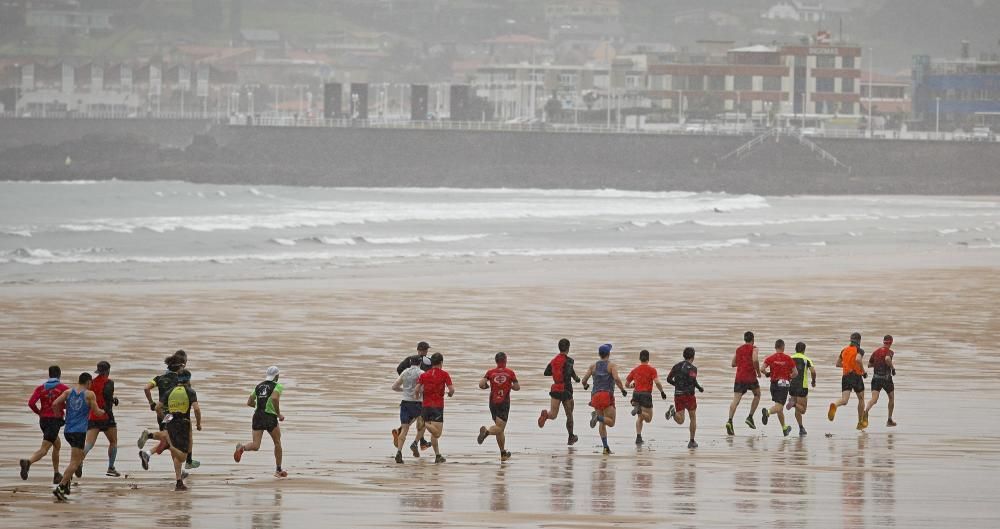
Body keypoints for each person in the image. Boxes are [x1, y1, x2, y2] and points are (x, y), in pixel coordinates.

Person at [51, 372, 105, 501]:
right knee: (76, 462)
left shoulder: (69, 392)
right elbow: (97, 413)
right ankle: (61, 487)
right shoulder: (89, 394)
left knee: (73, 460)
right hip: (79, 431)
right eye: (90, 383)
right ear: (88, 382)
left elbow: (54, 404)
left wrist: (59, 416)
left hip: (68, 431)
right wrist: (103, 411)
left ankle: (66, 485)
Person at [138, 352, 191, 470]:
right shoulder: (180, 380)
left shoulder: (159, 378)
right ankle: (149, 437)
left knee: (169, 442)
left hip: (161, 413)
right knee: (172, 441)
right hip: (174, 414)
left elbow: (146, 388)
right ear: (181, 366)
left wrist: (151, 403)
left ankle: (178, 474)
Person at [20, 366, 69, 484]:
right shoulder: (63, 388)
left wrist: (39, 412)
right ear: (59, 375)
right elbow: (70, 404)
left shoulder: (40, 388)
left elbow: (31, 403)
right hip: (54, 421)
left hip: (43, 421)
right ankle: (28, 462)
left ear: (49, 374)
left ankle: (56, 474)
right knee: (44, 449)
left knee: (57, 444)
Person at [234, 366, 286, 477]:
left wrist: (258, 406)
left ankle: (242, 448)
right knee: (277, 442)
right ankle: (278, 470)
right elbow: (275, 398)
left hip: (257, 416)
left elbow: (249, 402)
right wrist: (278, 414)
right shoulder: (277, 386)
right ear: (277, 376)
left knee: (256, 445)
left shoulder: (258, 386)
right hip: (270, 417)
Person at [580, 344, 628, 455]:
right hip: (606, 396)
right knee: (611, 422)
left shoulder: (593, 366)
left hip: (595, 396)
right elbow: (616, 378)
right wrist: (622, 390)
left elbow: (583, 380)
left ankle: (605, 448)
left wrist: (586, 386)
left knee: (602, 422)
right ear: (609, 354)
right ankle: (597, 418)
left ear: (599, 354)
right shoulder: (612, 366)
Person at [159, 370, 201, 491]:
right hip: (184, 424)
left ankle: (179, 482)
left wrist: (166, 418)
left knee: (177, 453)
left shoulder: (170, 391)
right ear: (188, 379)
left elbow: (158, 407)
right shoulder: (190, 391)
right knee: (181, 454)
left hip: (171, 421)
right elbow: (196, 409)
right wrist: (199, 423)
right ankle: (168, 446)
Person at [537, 338, 581, 445]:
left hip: (555, 389)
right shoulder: (569, 361)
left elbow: (546, 372)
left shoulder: (553, 360)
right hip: (566, 390)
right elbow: (569, 373)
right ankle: (571, 437)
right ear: (568, 348)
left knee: (553, 414)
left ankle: (545, 415)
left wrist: (557, 372)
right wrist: (576, 379)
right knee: (569, 415)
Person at [477, 352, 519, 461]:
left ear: (496, 361)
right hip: (503, 402)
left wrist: (487, 386)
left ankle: (503, 453)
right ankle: (487, 432)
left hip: (492, 402)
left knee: (499, 429)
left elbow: (481, 384)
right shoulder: (510, 373)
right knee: (499, 428)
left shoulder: (490, 372)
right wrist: (509, 386)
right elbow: (517, 387)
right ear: (505, 360)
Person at [83, 361, 120, 477]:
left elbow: (94, 398)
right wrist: (112, 402)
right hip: (106, 416)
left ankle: (78, 461)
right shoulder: (109, 382)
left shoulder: (91, 383)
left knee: (89, 444)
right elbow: (107, 399)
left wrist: (112, 399)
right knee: (113, 442)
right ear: (108, 371)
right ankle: (111, 467)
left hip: (93, 416)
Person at [396, 341, 433, 452]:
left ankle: (421, 441)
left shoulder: (409, 360)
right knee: (423, 418)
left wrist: (407, 382)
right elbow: (430, 376)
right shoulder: (428, 361)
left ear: (417, 349)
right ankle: (418, 441)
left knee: (417, 417)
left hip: (408, 394)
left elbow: (399, 369)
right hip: (423, 392)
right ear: (426, 350)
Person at [416, 353, 454, 463]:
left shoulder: (424, 375)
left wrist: (417, 396)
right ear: (441, 362)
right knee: (437, 433)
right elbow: (451, 390)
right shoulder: (444, 374)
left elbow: (417, 389)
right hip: (437, 406)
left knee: (434, 434)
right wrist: (450, 394)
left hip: (426, 405)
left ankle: (438, 456)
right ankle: (424, 424)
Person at [625, 350, 668, 446]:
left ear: (640, 359)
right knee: (648, 418)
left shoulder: (635, 370)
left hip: (636, 394)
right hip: (646, 395)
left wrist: (633, 386)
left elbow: (626, 384)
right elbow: (657, 382)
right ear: (648, 359)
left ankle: (638, 437)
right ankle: (639, 410)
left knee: (640, 417)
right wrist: (662, 392)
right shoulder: (652, 370)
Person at [665, 347, 704, 449]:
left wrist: (677, 385)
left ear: (684, 355)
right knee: (693, 417)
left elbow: (668, 379)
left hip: (678, 395)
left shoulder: (676, 366)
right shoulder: (693, 368)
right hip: (689, 396)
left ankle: (673, 412)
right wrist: (699, 388)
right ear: (693, 357)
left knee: (680, 420)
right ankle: (691, 441)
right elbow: (692, 380)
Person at [828, 332, 868, 430]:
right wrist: (863, 371)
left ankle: (835, 405)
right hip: (856, 376)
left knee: (844, 400)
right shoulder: (859, 350)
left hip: (846, 376)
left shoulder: (844, 350)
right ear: (859, 341)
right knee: (861, 399)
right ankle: (860, 422)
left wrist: (847, 366)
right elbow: (858, 360)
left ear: (851, 340)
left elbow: (837, 364)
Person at [761, 340, 798, 437]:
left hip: (773, 385)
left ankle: (784, 428)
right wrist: (789, 377)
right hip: (783, 384)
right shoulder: (788, 358)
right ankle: (767, 412)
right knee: (780, 406)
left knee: (778, 407)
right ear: (783, 347)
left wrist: (767, 374)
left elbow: (762, 369)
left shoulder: (771, 358)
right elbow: (796, 373)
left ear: (775, 347)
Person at [727, 331, 762, 436]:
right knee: (757, 394)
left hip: (739, 378)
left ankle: (729, 420)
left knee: (736, 400)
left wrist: (742, 362)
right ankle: (750, 417)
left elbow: (733, 364)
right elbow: (755, 359)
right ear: (753, 340)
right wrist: (758, 372)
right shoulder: (754, 348)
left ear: (744, 339)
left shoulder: (739, 349)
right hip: (750, 377)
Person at [391, 356, 425, 463]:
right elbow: (424, 388)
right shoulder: (422, 373)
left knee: (404, 429)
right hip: (417, 403)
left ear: (410, 363)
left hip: (405, 403)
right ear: (420, 363)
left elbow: (394, 387)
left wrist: (404, 390)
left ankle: (399, 452)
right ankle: (415, 443)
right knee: (422, 426)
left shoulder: (405, 372)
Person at [864, 335, 897, 428]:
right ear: (891, 342)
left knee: (874, 399)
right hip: (886, 379)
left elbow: (869, 365)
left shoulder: (876, 352)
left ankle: (866, 410)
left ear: (883, 342)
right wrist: (893, 368)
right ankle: (889, 420)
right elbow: (887, 359)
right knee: (891, 398)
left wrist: (878, 363)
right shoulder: (890, 352)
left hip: (876, 378)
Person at [788, 342, 817, 436]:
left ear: (795, 349)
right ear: (804, 350)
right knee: (803, 410)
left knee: (797, 410)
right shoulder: (806, 359)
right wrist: (813, 381)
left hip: (792, 385)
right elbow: (813, 371)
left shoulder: (790, 358)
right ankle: (793, 404)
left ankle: (801, 428)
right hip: (802, 386)